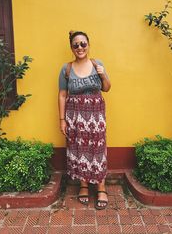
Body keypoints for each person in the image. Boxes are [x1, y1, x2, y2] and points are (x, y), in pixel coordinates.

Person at [58, 31, 111, 210]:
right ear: (71, 48)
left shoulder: (97, 64)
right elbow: (62, 94)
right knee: (79, 148)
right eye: (76, 45)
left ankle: (101, 187)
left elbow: (107, 88)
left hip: (96, 115)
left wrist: (103, 74)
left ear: (88, 44)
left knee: (97, 148)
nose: (80, 47)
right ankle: (83, 185)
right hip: (75, 116)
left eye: (83, 44)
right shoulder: (66, 68)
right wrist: (62, 119)